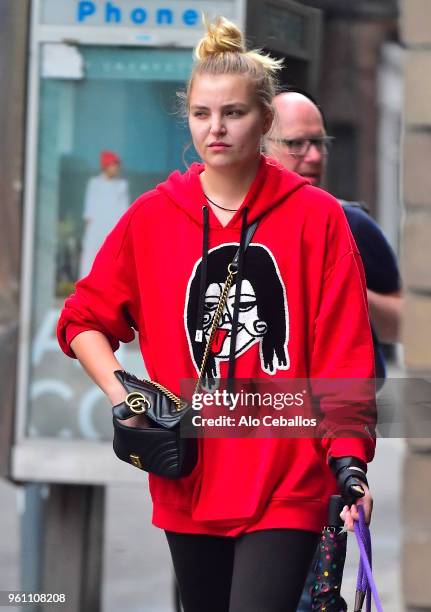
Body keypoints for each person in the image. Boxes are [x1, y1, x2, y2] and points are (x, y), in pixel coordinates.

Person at [57, 17, 375, 612]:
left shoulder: (317, 219)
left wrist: (350, 463)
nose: (217, 128)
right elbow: (84, 320)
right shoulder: (153, 218)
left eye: (233, 113)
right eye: (202, 114)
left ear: (265, 119)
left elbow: (343, 350)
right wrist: (125, 393)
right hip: (190, 476)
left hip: (287, 475)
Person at [265, 90, 402, 610]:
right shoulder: (232, 227)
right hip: (239, 457)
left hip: (325, 456)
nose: (315, 156)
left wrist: (346, 286)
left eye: (319, 143)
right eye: (297, 144)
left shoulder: (350, 222)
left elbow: (406, 318)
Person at [79, 150, 130, 277]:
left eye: (117, 165)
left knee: (112, 266)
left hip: (113, 232)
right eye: (114, 164)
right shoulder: (94, 183)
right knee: (90, 262)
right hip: (95, 231)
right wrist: (89, 230)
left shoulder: (122, 186)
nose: (116, 168)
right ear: (106, 166)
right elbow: (89, 211)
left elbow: (125, 212)